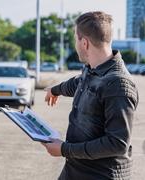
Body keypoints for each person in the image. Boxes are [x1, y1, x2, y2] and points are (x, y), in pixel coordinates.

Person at [42, 11, 139, 180]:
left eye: (75, 39)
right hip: (76, 169)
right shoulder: (93, 69)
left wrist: (64, 149)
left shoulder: (119, 85)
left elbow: (117, 143)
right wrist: (55, 89)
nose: (75, 44)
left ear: (84, 43)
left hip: (100, 175)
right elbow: (79, 83)